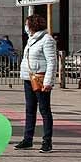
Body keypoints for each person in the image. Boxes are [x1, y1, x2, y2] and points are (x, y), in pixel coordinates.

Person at [17, 14, 56, 153]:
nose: (25, 27)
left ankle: (47, 141)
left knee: (44, 110)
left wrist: (48, 81)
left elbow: (52, 61)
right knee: (30, 109)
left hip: (40, 78)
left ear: (33, 25)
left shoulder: (47, 40)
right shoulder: (31, 39)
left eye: (27, 24)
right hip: (29, 78)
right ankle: (28, 139)